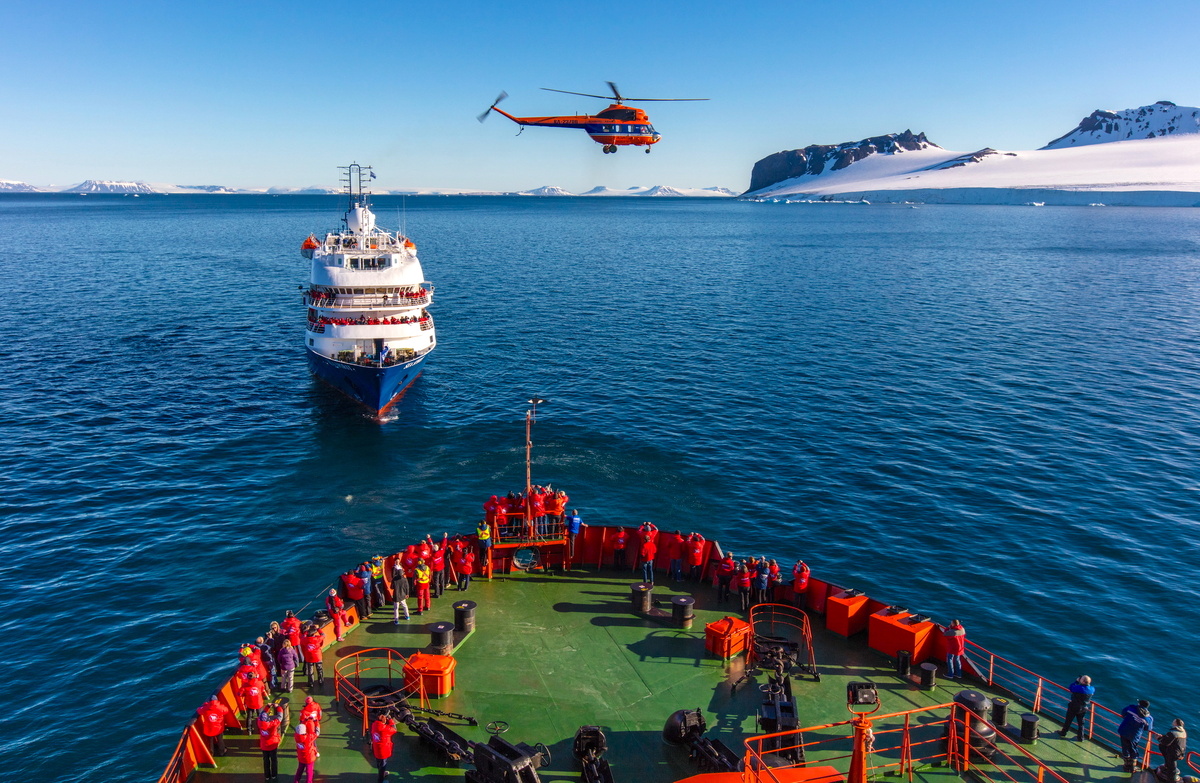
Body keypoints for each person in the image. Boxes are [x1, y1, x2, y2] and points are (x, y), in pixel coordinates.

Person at [1119, 699, 1154, 772]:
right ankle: (1132, 767)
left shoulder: (1131, 709)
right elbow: (1147, 728)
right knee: (1133, 750)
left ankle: (1126, 765)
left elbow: (1123, 713)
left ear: (1139, 704)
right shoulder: (1149, 718)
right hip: (1135, 735)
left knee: (1125, 748)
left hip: (1124, 730)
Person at [257, 703, 285, 781]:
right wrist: (278, 707)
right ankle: (274, 775)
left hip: (264, 745)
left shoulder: (259, 722)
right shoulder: (272, 724)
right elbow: (280, 716)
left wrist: (267, 707)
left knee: (266, 761)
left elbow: (262, 714)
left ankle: (267, 776)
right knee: (274, 760)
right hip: (272, 745)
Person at [370, 712, 398, 781]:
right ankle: (381, 778)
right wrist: (390, 720)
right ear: (384, 720)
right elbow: (394, 729)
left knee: (378, 762)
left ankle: (381, 773)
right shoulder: (385, 729)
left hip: (376, 749)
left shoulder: (374, 725)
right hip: (383, 751)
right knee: (383, 765)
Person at [392, 557, 410, 623]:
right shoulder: (404, 579)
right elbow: (407, 587)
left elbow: (392, 587)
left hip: (396, 595)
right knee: (404, 605)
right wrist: (407, 593)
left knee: (396, 608)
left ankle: (396, 620)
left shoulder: (394, 580)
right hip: (403, 594)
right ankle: (407, 616)